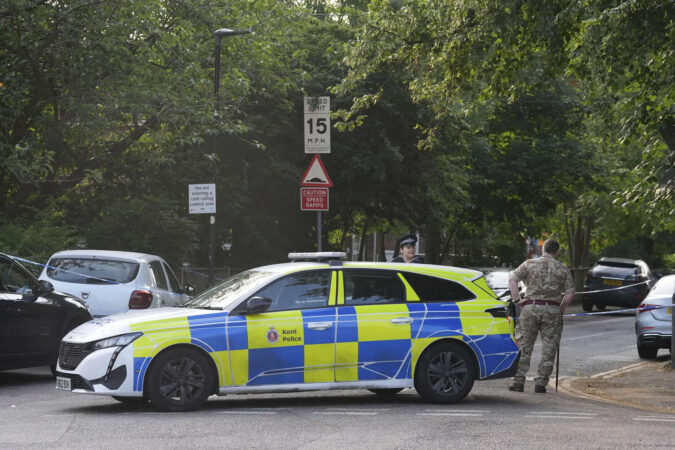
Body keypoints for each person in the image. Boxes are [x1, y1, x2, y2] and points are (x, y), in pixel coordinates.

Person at [508, 238, 575, 394]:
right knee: (549, 347)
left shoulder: (529, 264)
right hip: (552, 309)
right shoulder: (563, 269)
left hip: (530, 307)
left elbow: (512, 280)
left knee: (524, 345)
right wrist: (562, 308)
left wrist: (517, 300)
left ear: (543, 249)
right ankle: (541, 383)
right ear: (557, 252)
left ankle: (518, 381)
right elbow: (570, 293)